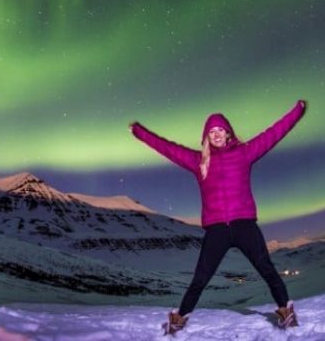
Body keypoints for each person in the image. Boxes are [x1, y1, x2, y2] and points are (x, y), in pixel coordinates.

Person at [129, 99, 307, 334]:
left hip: (244, 225)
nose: (217, 134)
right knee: (200, 277)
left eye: (220, 130)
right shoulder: (198, 161)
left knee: (266, 268)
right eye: (212, 131)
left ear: (228, 132)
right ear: (206, 136)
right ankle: (179, 319)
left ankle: (286, 311)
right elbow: (167, 148)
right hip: (217, 230)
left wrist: (297, 111)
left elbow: (273, 133)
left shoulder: (244, 153)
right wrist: (140, 132)